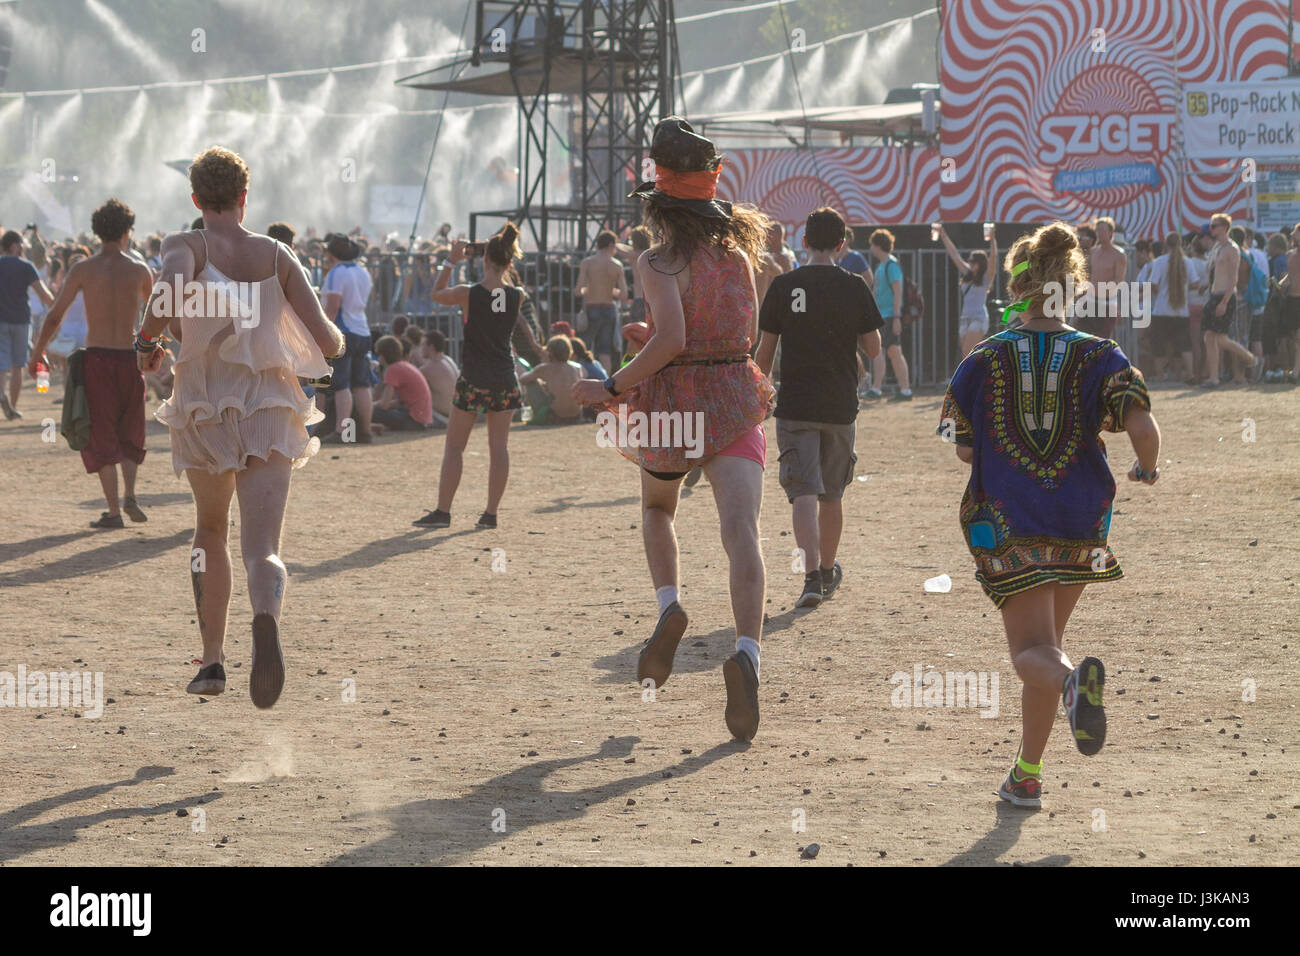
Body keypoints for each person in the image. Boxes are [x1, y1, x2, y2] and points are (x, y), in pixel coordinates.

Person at [938, 221, 1161, 808]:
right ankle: (1027, 774)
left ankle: (1070, 689)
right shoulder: (1101, 355)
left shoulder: (984, 357)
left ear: (1018, 288)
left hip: (1012, 517)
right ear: (1073, 286)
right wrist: (1148, 469)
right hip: (1081, 518)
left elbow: (962, 446)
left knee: (1030, 655)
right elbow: (1141, 425)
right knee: (1048, 641)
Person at [573, 116, 775, 742]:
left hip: (675, 403)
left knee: (659, 510)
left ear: (660, 206)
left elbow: (672, 339)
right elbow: (738, 334)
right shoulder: (739, 254)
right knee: (742, 531)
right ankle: (746, 653)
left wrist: (610, 385)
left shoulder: (656, 262)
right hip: (734, 394)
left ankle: (669, 605)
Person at [138, 146, 345, 707]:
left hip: (205, 407)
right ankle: (266, 618)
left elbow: (169, 290)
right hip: (271, 408)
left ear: (196, 199)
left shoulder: (186, 244)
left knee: (210, 531)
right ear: (245, 197)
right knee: (263, 547)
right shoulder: (276, 254)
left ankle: (211, 660)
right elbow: (327, 341)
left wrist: (148, 339)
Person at [754, 207, 882, 608]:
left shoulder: (784, 285)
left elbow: (764, 352)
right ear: (842, 245)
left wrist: (760, 389)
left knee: (803, 492)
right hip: (839, 404)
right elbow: (875, 348)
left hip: (795, 403)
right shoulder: (855, 285)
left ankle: (809, 576)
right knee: (832, 494)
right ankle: (828, 569)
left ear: (804, 241)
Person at [29, 201, 154, 528]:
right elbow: (155, 317)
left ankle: (113, 512)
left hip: (97, 359)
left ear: (97, 232)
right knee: (131, 430)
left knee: (101, 434)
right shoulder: (140, 270)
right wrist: (153, 348)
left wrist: (37, 353)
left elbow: (55, 314)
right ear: (128, 231)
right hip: (129, 359)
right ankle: (130, 495)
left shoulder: (83, 269)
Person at [413, 224, 528, 530]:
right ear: (509, 261)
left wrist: (451, 260)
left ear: (484, 257)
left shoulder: (468, 294)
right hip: (505, 377)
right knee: (499, 448)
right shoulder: (517, 295)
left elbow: (436, 294)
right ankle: (490, 514)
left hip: (475, 377)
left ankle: (443, 512)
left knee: (454, 447)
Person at [320, 233, 375, 441]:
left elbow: (333, 307)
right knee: (362, 384)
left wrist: (323, 334)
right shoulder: (363, 271)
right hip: (362, 329)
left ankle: (343, 432)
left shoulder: (337, 273)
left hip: (344, 331)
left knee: (341, 384)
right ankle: (366, 431)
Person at [1199, 214, 1259, 388]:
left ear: (1225, 227)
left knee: (1221, 338)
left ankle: (1251, 358)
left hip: (1225, 296)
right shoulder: (1217, 247)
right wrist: (1206, 285)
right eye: (1211, 226)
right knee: (1209, 337)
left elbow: (1233, 278)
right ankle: (1214, 377)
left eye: (1215, 226)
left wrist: (1224, 302)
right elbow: (1215, 272)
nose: (1212, 229)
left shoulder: (1232, 248)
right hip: (1214, 294)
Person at [0, 230, 55, 421]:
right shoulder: (26, 266)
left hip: (1, 320)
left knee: (2, 363)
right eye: (21, 244)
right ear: (15, 246)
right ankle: (13, 407)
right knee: (18, 365)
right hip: (21, 320)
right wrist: (58, 307)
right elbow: (43, 294)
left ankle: (1, 393)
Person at [865, 228, 912, 400]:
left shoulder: (891, 265)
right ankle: (905, 390)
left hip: (889, 316)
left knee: (881, 351)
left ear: (878, 246)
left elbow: (898, 291)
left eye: (872, 245)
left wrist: (897, 317)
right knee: (893, 352)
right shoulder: (884, 266)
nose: (871, 248)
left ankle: (877, 389)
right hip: (885, 315)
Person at [1140, 233, 1194, 382]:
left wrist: (1161, 292)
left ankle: (1161, 377)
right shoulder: (1188, 262)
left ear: (1166, 245)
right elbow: (1195, 283)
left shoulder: (1159, 262)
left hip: (1161, 310)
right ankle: (1188, 374)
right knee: (1183, 346)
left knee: (1159, 346)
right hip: (1182, 312)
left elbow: (1153, 284)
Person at [938, 222, 996, 357]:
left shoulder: (985, 278)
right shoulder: (967, 275)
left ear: (980, 263)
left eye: (972, 261)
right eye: (969, 260)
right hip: (965, 318)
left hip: (979, 318)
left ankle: (972, 377)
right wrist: (943, 235)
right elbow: (954, 255)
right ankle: (979, 376)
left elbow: (993, 260)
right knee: (968, 355)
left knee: (967, 351)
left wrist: (993, 240)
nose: (969, 263)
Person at [577, 230, 627, 373]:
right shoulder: (617, 265)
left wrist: (589, 290)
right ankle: (606, 386)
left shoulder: (587, 263)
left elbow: (577, 290)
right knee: (605, 352)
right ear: (611, 244)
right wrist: (609, 289)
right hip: (609, 309)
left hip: (591, 308)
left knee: (583, 349)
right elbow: (624, 295)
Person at [370, 334, 435, 432]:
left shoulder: (392, 369)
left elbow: (384, 404)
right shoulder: (405, 365)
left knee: (367, 411)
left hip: (412, 420)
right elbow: (398, 402)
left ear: (383, 355)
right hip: (421, 420)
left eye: (378, 354)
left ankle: (366, 427)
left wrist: (369, 405)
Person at [518, 335, 584, 424]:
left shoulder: (544, 368)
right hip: (576, 415)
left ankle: (531, 414)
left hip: (554, 415)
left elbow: (522, 380)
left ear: (550, 353)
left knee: (531, 382)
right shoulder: (576, 367)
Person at [1080, 217, 1125, 340]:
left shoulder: (1118, 254)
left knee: (1102, 339)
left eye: (1103, 230)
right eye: (1098, 230)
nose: (1100, 233)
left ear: (1111, 232)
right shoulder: (1093, 252)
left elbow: (1118, 280)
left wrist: (1115, 305)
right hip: (1090, 301)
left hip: (1106, 303)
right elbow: (1088, 275)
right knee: (1083, 335)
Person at [415, 328, 457, 424]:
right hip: (455, 411)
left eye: (423, 345)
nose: (420, 349)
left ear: (431, 347)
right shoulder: (448, 360)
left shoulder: (427, 368)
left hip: (441, 415)